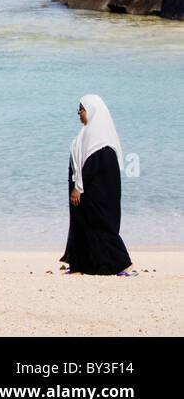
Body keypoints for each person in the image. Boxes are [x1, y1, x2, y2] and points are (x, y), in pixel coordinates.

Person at [60, 94, 133, 276]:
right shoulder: (87, 133)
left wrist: (79, 187)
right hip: (87, 192)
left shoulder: (99, 137)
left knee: (101, 226)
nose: (79, 113)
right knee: (81, 225)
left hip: (97, 194)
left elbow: (93, 166)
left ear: (92, 110)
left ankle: (125, 265)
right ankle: (80, 266)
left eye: (82, 109)